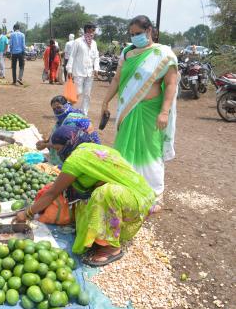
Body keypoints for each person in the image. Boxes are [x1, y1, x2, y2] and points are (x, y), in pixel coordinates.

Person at [14, 125, 156, 266]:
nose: (57, 154)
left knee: (103, 194)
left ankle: (111, 248)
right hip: (139, 195)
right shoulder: (88, 147)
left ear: (69, 144)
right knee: (83, 196)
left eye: (58, 149)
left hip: (135, 202)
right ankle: (98, 235)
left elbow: (52, 193)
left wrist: (27, 213)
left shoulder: (75, 160)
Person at [100, 15, 178, 209]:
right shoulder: (127, 52)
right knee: (125, 149)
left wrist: (164, 112)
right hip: (128, 110)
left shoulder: (163, 54)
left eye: (138, 33)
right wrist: (105, 101)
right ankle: (127, 190)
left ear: (149, 31)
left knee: (150, 151)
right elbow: (117, 79)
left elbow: (170, 84)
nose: (135, 37)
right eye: (132, 34)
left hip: (151, 112)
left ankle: (154, 194)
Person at [36, 95, 99, 166]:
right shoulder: (63, 118)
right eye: (54, 109)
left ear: (66, 105)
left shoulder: (73, 117)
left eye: (59, 107)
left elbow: (68, 142)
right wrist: (47, 141)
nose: (57, 111)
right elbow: (59, 133)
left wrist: (46, 145)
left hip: (87, 149)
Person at [66, 23, 100, 116]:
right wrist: (69, 69)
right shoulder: (78, 42)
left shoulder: (94, 43)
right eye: (93, 30)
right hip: (78, 72)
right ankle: (68, 109)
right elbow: (72, 56)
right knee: (77, 92)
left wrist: (96, 68)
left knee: (87, 94)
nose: (94, 32)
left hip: (90, 73)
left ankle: (84, 113)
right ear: (88, 30)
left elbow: (96, 56)